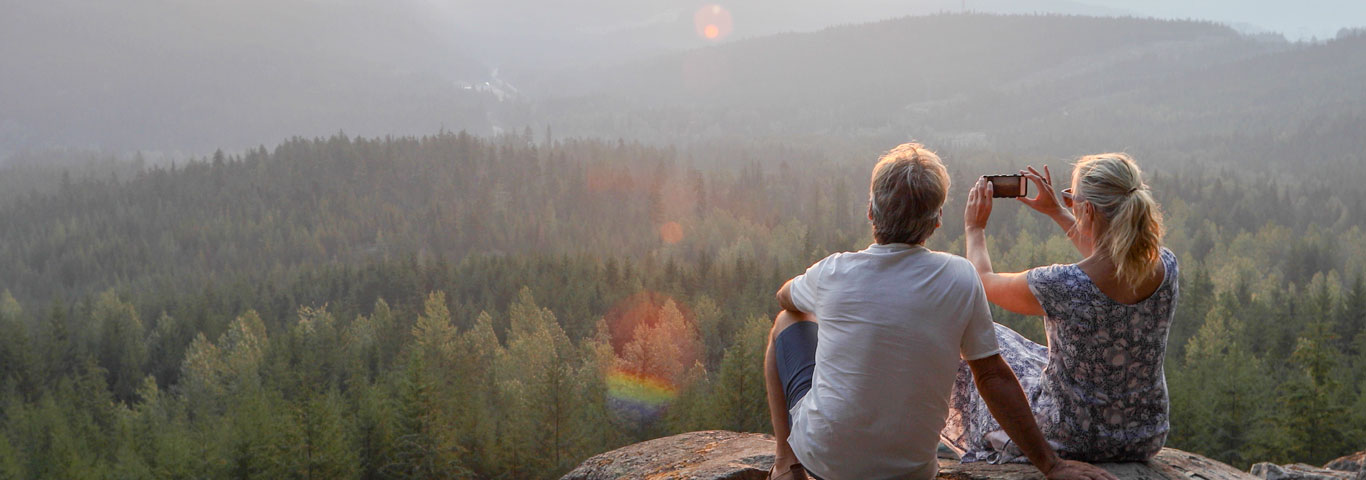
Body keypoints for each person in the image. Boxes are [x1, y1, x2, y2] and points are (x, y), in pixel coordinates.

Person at [765, 143, 1119, 480]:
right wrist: (1051, 465)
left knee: (786, 321)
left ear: (871, 211)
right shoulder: (959, 276)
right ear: (936, 222)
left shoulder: (832, 272)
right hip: (911, 472)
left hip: (826, 466)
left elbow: (785, 298)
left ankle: (785, 460)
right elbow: (993, 377)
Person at [942, 153, 1178, 464]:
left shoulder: (1063, 284)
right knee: (1035, 356)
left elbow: (983, 282)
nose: (1068, 203)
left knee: (977, 340)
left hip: (1071, 437)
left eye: (1072, 199)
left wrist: (974, 229)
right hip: (1144, 435)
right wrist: (1057, 210)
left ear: (1088, 210)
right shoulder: (1165, 266)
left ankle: (983, 441)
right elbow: (1112, 255)